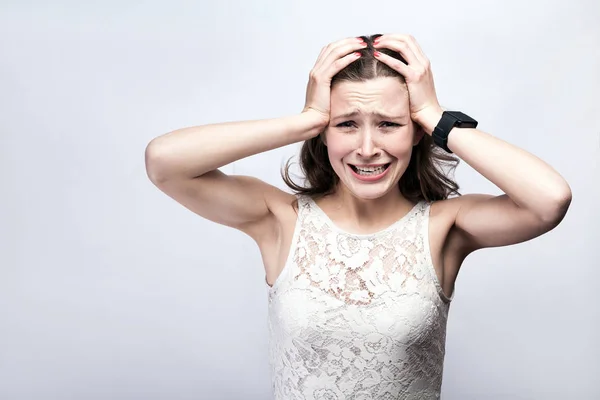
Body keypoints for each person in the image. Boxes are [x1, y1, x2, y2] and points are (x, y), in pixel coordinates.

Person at [145, 33, 572, 399]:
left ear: (416, 132)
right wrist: (307, 119)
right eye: (347, 124)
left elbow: (549, 199)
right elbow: (164, 161)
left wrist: (435, 116)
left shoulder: (446, 227)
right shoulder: (279, 219)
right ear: (324, 132)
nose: (367, 148)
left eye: (388, 124)